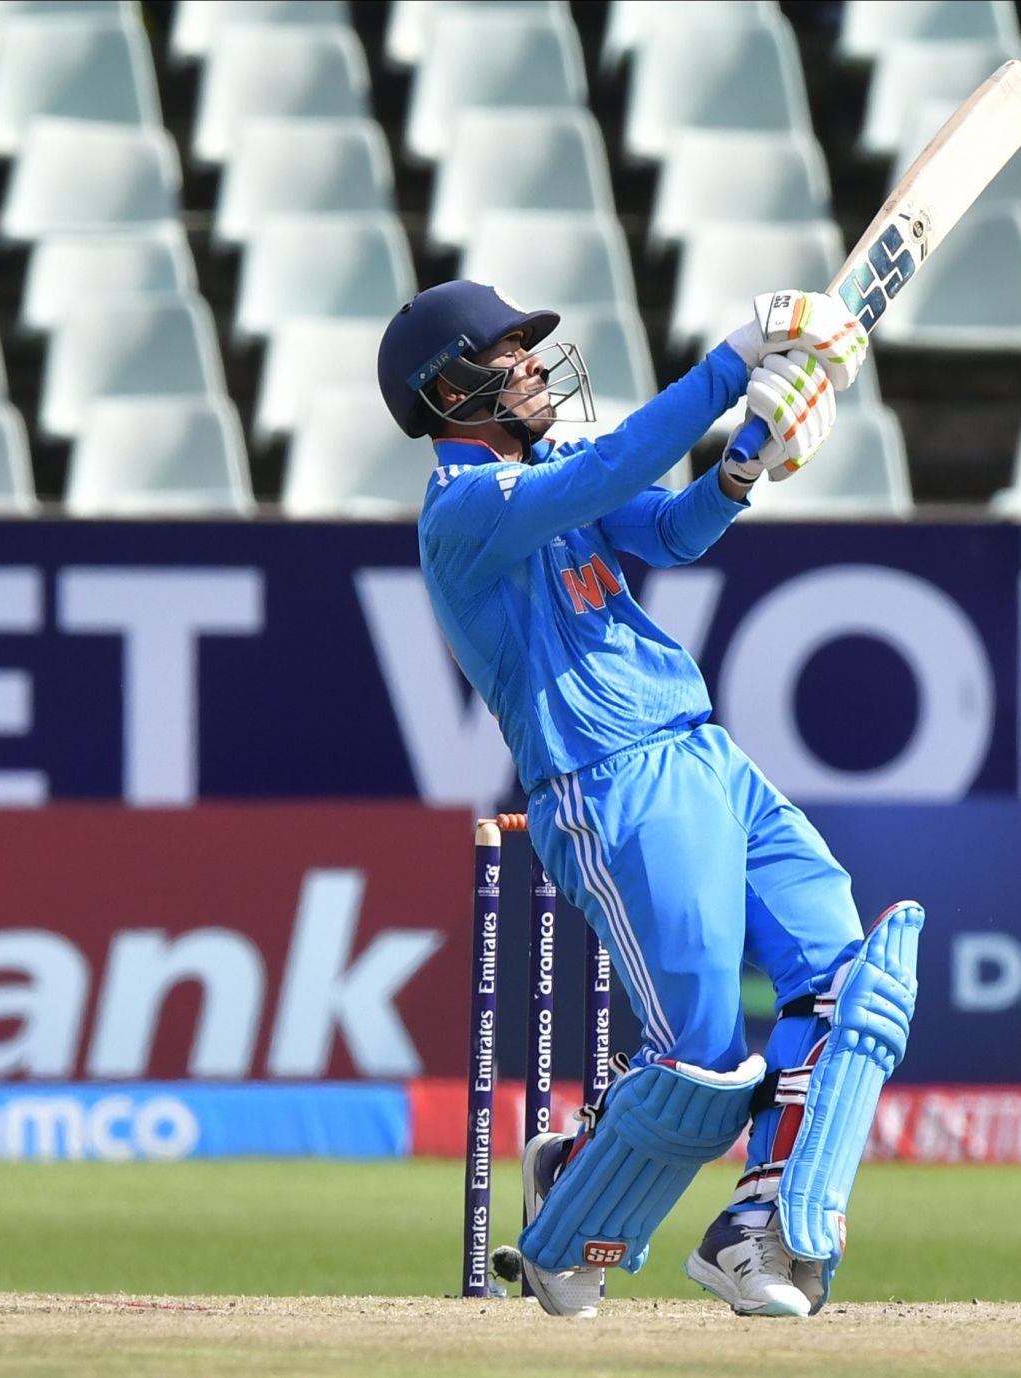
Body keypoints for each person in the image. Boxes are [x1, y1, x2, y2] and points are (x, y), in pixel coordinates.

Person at [377, 281, 925, 1319]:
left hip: (706, 752)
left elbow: (669, 532)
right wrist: (732, 361)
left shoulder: (544, 473)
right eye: (509, 353)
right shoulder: (462, 513)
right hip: (608, 782)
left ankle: (755, 1235)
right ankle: (574, 1210)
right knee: (707, 1061)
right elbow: (621, 465)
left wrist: (738, 469)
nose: (536, 364)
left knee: (849, 977)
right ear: (447, 389)